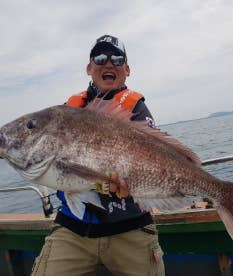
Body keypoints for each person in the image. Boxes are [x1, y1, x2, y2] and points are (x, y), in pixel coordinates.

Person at [32, 34, 165, 276]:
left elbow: (155, 156)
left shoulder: (136, 108)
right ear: (89, 67)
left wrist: (133, 182)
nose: (108, 63)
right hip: (73, 228)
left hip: (131, 227)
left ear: (127, 69)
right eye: (100, 57)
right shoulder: (68, 111)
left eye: (117, 58)